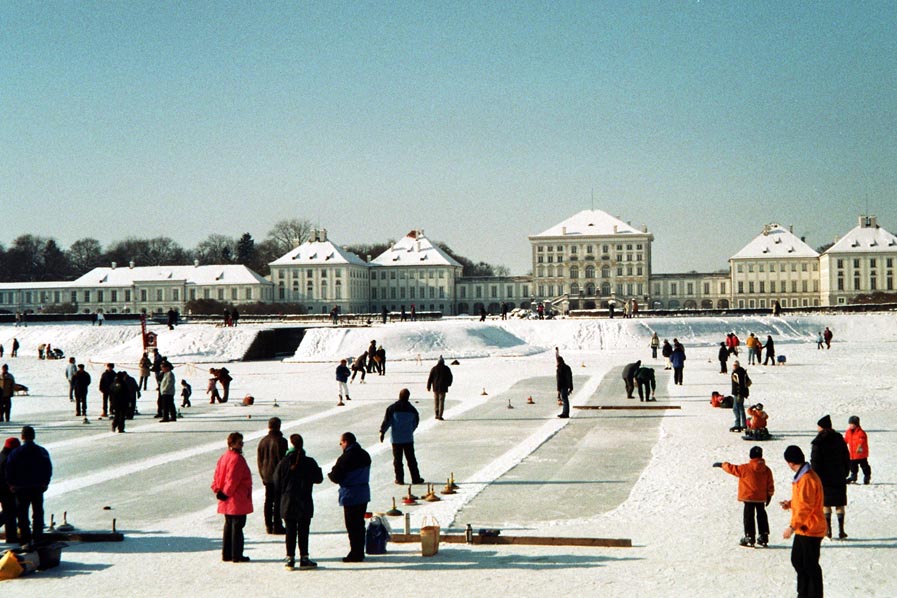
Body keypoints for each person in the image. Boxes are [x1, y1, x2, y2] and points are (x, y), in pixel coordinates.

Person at [781, 445, 826, 598]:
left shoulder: (806, 478)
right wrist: (791, 503)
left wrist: (792, 527)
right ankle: (804, 593)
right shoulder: (803, 477)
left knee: (809, 565)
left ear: (790, 462)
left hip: (810, 528)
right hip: (804, 528)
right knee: (798, 560)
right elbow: (802, 501)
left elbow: (806, 507)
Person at [273, 433, 323, 570]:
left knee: (290, 531)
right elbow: (319, 478)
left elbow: (276, 483)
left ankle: (290, 558)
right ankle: (304, 557)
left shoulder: (283, 463)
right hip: (304, 501)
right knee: (303, 531)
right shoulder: (309, 461)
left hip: (288, 502)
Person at [713, 446, 774, 547]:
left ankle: (749, 536)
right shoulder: (767, 470)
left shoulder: (745, 468)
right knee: (761, 515)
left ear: (751, 456)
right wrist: (769, 495)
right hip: (761, 498)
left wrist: (722, 465)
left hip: (748, 497)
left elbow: (732, 469)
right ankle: (764, 535)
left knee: (748, 516)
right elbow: (770, 483)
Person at [327, 432, 371, 563]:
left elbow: (335, 476)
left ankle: (355, 553)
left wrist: (330, 474)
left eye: (341, 443)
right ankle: (360, 551)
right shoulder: (365, 454)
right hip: (363, 492)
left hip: (350, 494)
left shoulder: (346, 458)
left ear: (346, 442)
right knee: (359, 523)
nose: (340, 446)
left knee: (352, 525)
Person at [5, 426, 53, 546]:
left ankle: (25, 538)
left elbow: (9, 469)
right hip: (37, 487)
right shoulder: (41, 451)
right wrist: (45, 482)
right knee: (37, 512)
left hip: (21, 488)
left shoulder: (15, 452)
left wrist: (11, 484)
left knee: (22, 514)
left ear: (22, 437)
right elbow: (48, 468)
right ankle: (38, 536)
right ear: (33, 436)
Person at [211, 432, 253, 562]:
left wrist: (217, 489)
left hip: (227, 498)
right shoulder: (237, 459)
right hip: (236, 498)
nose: (242, 445)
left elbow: (218, 475)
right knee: (237, 526)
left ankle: (227, 553)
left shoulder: (224, 457)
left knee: (229, 525)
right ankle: (236, 554)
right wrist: (225, 493)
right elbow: (232, 479)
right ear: (232, 444)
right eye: (240, 443)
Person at [811, 415, 850, 540]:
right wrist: (845, 471)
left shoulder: (818, 442)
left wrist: (815, 476)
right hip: (839, 475)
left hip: (824, 478)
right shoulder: (839, 439)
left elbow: (815, 461)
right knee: (839, 504)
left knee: (826, 504)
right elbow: (846, 456)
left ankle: (828, 530)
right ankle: (841, 530)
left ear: (821, 427)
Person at [379, 388, 423, 485]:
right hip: (408, 438)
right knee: (411, 459)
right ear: (408, 397)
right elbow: (415, 423)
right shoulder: (412, 410)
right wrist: (410, 430)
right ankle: (416, 478)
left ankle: (399, 479)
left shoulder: (392, 408)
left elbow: (387, 421)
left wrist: (382, 432)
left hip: (396, 439)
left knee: (398, 460)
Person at [257, 417, 288, 535]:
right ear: (279, 426)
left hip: (266, 475)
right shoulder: (281, 441)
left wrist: (263, 474)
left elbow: (259, 460)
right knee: (278, 501)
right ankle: (277, 525)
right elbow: (283, 460)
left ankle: (268, 525)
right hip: (277, 475)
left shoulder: (263, 441)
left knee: (268, 501)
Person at [0, 437, 21, 544]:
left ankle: (12, 536)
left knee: (9, 512)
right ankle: (11, 537)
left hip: (3, 489)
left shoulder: (2, 456)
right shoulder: (8, 459)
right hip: (5, 490)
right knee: (10, 513)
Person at [844, 415, 871, 485]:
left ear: (856, 424)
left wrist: (859, 447)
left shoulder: (861, 432)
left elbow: (862, 441)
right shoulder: (848, 432)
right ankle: (853, 476)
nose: (851, 425)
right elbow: (846, 439)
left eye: (852, 424)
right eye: (850, 424)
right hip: (853, 454)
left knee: (864, 466)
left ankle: (867, 476)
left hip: (861, 454)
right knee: (852, 466)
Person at [426, 356, 453, 421]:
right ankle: (440, 415)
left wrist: (428, 386)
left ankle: (436, 414)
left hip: (435, 387)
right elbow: (450, 377)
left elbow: (430, 378)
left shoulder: (434, 368)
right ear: (443, 362)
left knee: (436, 401)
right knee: (441, 401)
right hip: (443, 388)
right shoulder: (446, 368)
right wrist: (449, 384)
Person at [730, 360, 751, 433]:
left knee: (736, 409)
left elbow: (740, 384)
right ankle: (744, 424)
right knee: (740, 408)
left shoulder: (737, 373)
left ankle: (738, 424)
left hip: (738, 393)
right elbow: (748, 382)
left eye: (735, 365)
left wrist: (739, 393)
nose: (734, 367)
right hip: (741, 393)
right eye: (734, 365)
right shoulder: (742, 371)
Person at [556, 351, 573, 418]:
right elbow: (570, 377)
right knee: (564, 399)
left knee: (564, 399)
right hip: (566, 385)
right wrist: (571, 386)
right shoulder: (567, 367)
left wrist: (558, 388)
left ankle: (565, 413)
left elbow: (559, 379)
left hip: (563, 386)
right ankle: (565, 412)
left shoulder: (560, 368)